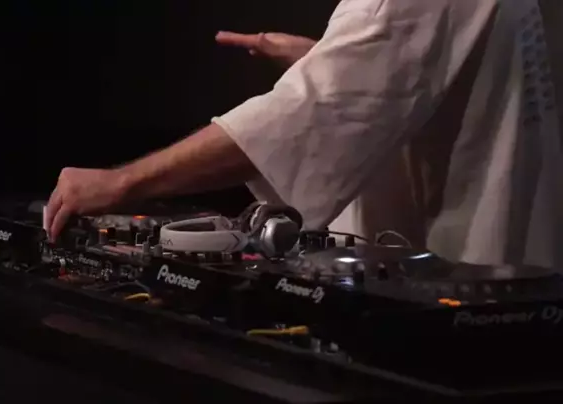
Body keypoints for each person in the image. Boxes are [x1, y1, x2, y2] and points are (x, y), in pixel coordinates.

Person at [46, 0, 563, 269]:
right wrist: (330, 60)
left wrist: (121, 183)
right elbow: (428, 76)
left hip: (461, 293)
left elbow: (299, 118)